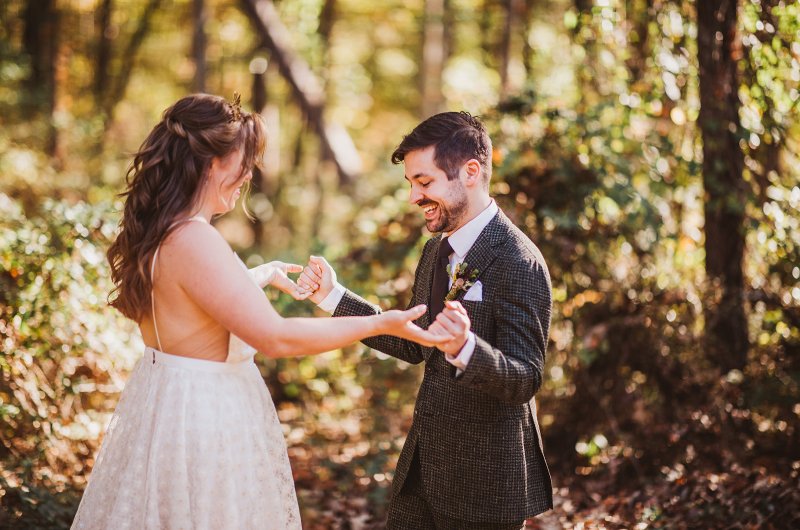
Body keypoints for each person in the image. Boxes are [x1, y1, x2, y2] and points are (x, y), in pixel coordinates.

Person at [71, 93, 447, 530]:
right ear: (211, 163)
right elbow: (277, 337)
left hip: (169, 408)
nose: (248, 173)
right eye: (242, 161)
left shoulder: (162, 231)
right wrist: (380, 322)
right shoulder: (195, 238)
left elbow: (187, 318)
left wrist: (254, 276)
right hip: (205, 422)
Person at [300, 111, 553, 529]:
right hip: (421, 472)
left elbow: (526, 378)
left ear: (470, 172)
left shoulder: (519, 261)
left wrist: (466, 350)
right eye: (411, 184)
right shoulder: (436, 252)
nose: (414, 197)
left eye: (425, 182)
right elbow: (414, 340)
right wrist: (332, 296)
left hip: (484, 486)